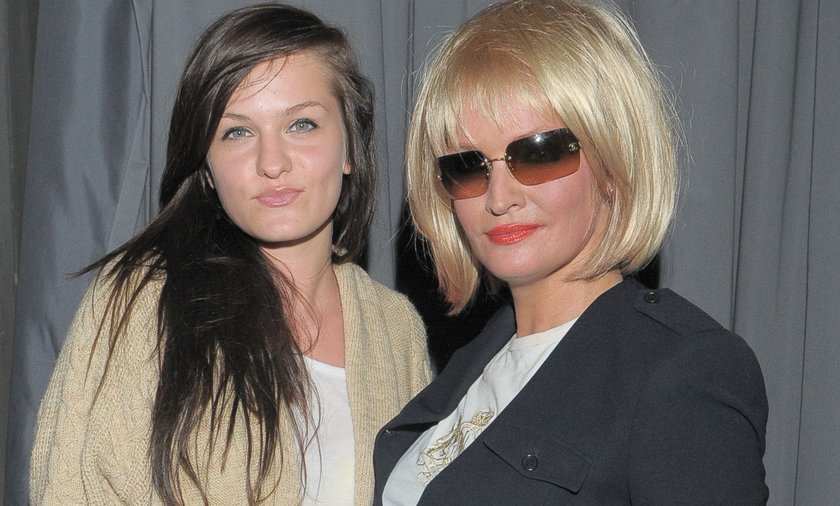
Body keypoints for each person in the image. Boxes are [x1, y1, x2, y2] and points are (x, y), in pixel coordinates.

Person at [30, 4, 430, 504]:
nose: (272, 163)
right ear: (207, 164)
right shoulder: (142, 303)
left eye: (301, 124)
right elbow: (67, 488)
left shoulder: (396, 329)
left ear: (349, 147)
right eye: (237, 132)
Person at [373, 0, 768, 504]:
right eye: (469, 166)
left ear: (612, 163)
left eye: (538, 152)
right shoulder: (472, 364)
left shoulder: (680, 369)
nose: (499, 198)